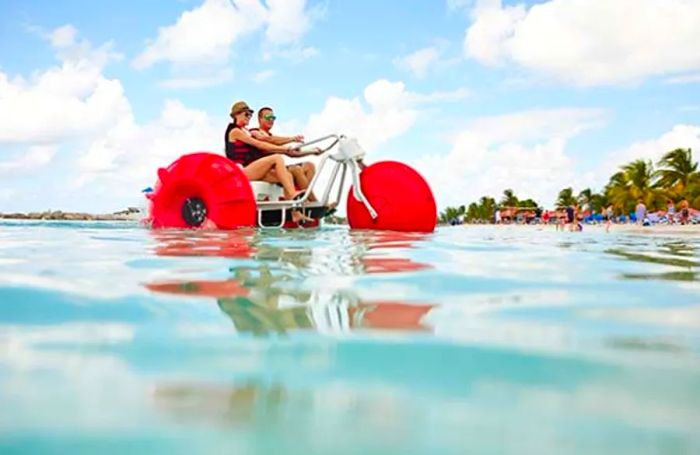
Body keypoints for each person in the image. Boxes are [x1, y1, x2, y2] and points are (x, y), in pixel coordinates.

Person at [225, 101, 312, 223]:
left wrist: (311, 151)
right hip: (240, 172)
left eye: (250, 115)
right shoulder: (235, 131)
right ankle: (293, 195)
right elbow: (260, 144)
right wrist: (285, 148)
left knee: (287, 175)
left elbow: (269, 141)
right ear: (236, 115)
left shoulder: (246, 131)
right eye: (246, 114)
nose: (249, 117)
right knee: (277, 158)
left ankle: (295, 213)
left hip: (253, 169)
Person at [250, 107, 320, 200]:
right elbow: (269, 140)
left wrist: (312, 151)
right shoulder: (254, 132)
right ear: (260, 119)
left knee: (309, 166)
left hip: (277, 168)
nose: (271, 119)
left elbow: (292, 153)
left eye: (273, 117)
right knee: (296, 169)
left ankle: (305, 200)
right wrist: (292, 139)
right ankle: (312, 202)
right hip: (265, 171)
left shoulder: (271, 136)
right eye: (267, 117)